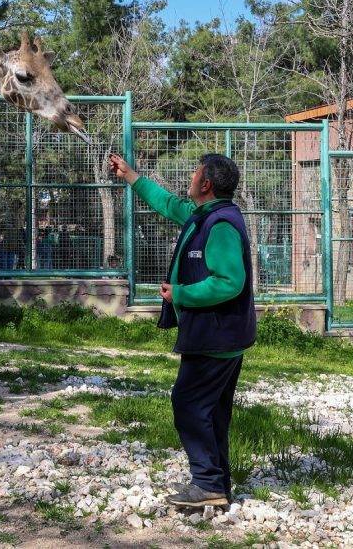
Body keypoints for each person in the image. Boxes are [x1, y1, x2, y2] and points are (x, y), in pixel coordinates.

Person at [109, 151, 255, 509]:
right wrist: (131, 176)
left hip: (215, 337)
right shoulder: (202, 214)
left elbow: (229, 283)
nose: (189, 178)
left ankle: (207, 484)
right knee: (212, 411)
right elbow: (167, 204)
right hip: (221, 336)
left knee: (188, 404)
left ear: (205, 184)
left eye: (194, 173)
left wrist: (181, 293)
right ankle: (217, 484)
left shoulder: (219, 225)